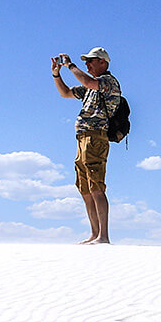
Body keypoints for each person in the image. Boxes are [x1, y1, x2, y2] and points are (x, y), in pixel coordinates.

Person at [52, 47, 122, 244]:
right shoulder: (90, 89)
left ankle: (103, 236)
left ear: (103, 62)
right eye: (86, 62)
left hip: (95, 138)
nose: (88, 64)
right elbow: (65, 93)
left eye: (91, 61)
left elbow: (89, 82)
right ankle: (94, 233)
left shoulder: (108, 82)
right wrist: (56, 74)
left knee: (97, 186)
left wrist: (70, 66)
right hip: (82, 138)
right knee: (85, 187)